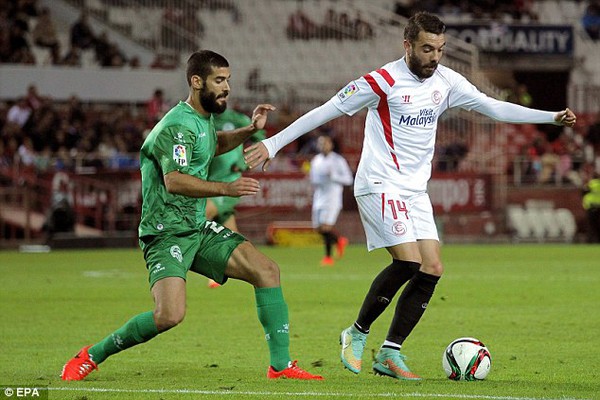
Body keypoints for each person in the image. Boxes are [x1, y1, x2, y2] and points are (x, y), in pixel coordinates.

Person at [244, 12, 577, 380]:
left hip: (415, 190)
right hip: (379, 183)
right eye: (427, 49)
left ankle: (390, 353)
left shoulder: (446, 81)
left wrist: (550, 117)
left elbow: (490, 106)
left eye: (440, 49)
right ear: (407, 46)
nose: (434, 57)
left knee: (432, 267)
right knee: (408, 262)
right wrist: (273, 144)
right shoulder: (382, 81)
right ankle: (356, 333)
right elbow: (328, 110)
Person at [60, 50, 323, 381]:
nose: (226, 87)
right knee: (169, 315)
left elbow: (211, 144)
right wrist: (225, 189)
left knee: (267, 271)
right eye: (219, 80)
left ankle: (281, 366)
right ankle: (92, 354)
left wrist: (248, 130)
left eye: (228, 80)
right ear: (196, 82)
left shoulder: (203, 119)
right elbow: (174, 181)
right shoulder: (176, 126)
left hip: (196, 228)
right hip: (165, 232)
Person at [205, 107, 266, 288]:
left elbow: (261, 138)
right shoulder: (204, 119)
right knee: (232, 234)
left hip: (230, 183)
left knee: (200, 215)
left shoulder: (238, 119)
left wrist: (243, 161)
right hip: (209, 182)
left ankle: (212, 268)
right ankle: (255, 267)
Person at [309, 135, 353, 266]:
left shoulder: (338, 160)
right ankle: (339, 240)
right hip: (319, 196)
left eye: (325, 143)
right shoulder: (316, 160)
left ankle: (328, 257)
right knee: (318, 228)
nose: (323, 146)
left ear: (331, 145)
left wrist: (333, 177)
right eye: (320, 143)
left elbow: (349, 179)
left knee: (326, 227)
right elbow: (313, 178)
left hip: (332, 197)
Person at [582, 174, 600, 243]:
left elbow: (583, 192)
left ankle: (592, 240)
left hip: (591, 207)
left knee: (591, 225)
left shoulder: (591, 184)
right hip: (599, 207)